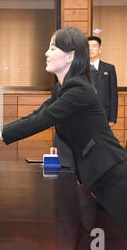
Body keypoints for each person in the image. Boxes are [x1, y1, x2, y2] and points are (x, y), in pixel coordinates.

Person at [0, 27, 127, 245]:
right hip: (98, 174)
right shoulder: (63, 88)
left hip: (113, 176)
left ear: (70, 55)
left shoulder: (79, 90)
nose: (46, 53)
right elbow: (37, 115)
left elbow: (40, 121)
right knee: (97, 248)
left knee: (122, 249)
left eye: (52, 48)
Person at [51, 35, 119, 168]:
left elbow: (113, 93)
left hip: (104, 115)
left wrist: (112, 117)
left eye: (95, 46)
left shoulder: (109, 68)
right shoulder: (80, 69)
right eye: (88, 47)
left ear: (100, 49)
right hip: (84, 115)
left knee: (102, 147)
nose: (92, 49)